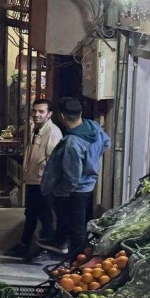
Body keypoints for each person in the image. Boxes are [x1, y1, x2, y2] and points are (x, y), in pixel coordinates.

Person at [40, 97, 109, 260]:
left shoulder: (72, 142)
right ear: (80, 113)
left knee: (76, 231)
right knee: (74, 224)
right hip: (88, 185)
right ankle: (60, 243)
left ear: (62, 116)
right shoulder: (93, 127)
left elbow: (72, 177)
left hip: (75, 191)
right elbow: (107, 143)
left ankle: (77, 264)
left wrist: (59, 192)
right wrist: (92, 160)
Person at [12, 98, 62, 258]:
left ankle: (45, 248)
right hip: (33, 180)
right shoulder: (35, 129)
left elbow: (53, 161)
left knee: (45, 216)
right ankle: (25, 244)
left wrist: (48, 182)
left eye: (41, 111)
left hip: (43, 183)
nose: (36, 114)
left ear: (49, 114)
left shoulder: (52, 133)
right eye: (34, 111)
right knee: (31, 214)